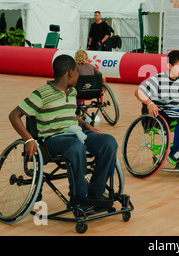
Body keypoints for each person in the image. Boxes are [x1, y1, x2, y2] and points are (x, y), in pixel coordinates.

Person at [8, 55, 118, 210]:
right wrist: (28, 139)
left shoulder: (72, 92)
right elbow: (14, 115)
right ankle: (79, 196)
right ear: (70, 73)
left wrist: (87, 125)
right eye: (77, 72)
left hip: (76, 134)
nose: (79, 76)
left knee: (108, 142)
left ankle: (96, 193)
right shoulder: (41, 93)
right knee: (75, 146)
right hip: (53, 139)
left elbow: (70, 114)